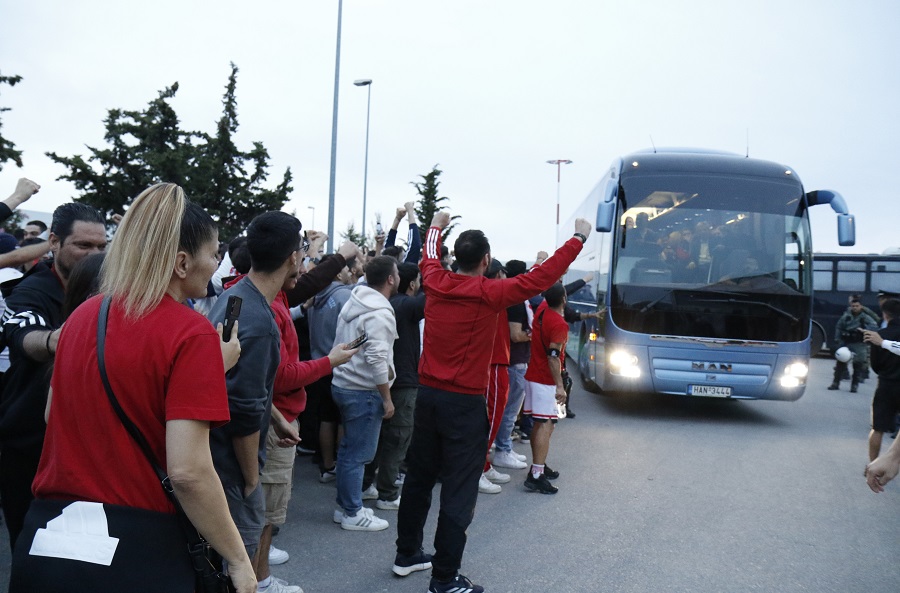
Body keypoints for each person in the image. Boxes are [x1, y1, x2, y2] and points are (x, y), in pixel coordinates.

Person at [10, 183, 256, 593]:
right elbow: (188, 471)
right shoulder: (191, 334)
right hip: (137, 546)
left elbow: (56, 414)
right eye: (213, 254)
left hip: (50, 538)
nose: (216, 265)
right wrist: (237, 558)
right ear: (181, 262)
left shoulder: (86, 314)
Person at [393, 212, 591, 593]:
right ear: (485, 261)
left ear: (459, 256)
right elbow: (542, 277)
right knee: (459, 489)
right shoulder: (490, 293)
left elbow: (429, 254)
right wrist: (578, 239)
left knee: (419, 479)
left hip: (427, 397)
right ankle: (445, 578)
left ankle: (407, 554)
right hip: (464, 403)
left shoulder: (434, 280)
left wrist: (435, 224)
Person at [0, 202, 107, 550]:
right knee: (32, 549)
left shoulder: (105, 287)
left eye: (101, 246)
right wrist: (58, 339)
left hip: (84, 449)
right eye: (83, 245)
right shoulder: (32, 291)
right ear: (54, 242)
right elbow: (22, 335)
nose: (93, 253)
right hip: (28, 445)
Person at [207, 211, 304, 585]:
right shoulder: (261, 323)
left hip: (217, 457)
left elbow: (244, 383)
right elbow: (243, 413)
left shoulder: (236, 297)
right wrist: (251, 480)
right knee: (238, 569)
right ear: (293, 257)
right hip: (232, 466)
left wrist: (277, 418)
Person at [331, 255, 399, 531]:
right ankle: (352, 512)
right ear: (391, 279)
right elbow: (376, 358)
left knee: (349, 451)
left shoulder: (356, 300)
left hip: (344, 383)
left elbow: (360, 345)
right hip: (363, 389)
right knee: (358, 454)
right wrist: (387, 398)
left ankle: (345, 505)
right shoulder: (379, 313)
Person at [363, 261, 425, 512]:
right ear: (412, 284)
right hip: (402, 381)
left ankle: (367, 484)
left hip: (384, 380)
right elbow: (436, 293)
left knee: (377, 439)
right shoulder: (408, 304)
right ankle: (387, 493)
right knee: (398, 439)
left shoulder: (382, 303)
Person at [522, 283, 569, 495]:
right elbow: (553, 357)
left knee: (543, 424)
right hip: (545, 381)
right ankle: (536, 475)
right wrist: (560, 385)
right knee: (544, 425)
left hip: (534, 376)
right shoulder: (558, 324)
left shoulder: (542, 310)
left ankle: (538, 466)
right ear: (564, 300)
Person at [862, 298, 900, 465]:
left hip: (886, 385)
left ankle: (873, 465)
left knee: (877, 429)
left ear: (885, 315)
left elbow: (875, 366)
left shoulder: (879, 336)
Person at [828, 298, 876, 392]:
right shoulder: (846, 316)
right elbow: (839, 326)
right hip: (846, 342)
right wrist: (837, 338)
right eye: (853, 306)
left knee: (858, 364)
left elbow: (874, 326)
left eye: (857, 306)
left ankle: (854, 385)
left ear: (861, 306)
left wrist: (864, 330)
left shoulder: (865, 317)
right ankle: (835, 383)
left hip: (859, 343)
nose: (855, 308)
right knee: (840, 362)